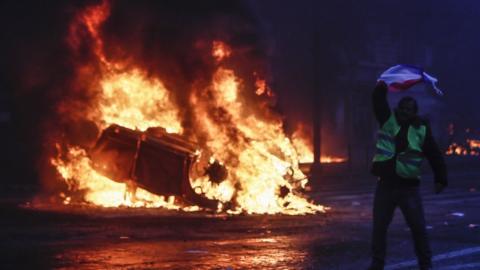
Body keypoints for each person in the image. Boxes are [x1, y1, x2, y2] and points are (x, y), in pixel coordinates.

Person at [368, 81, 448, 270]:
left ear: (414, 112)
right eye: (402, 108)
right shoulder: (388, 119)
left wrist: (441, 178)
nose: (405, 112)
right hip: (386, 185)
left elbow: (434, 154)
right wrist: (382, 84)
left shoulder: (421, 129)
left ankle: (425, 264)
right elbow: (378, 101)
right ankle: (377, 264)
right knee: (379, 228)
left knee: (418, 229)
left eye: (409, 109)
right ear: (398, 108)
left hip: (408, 187)